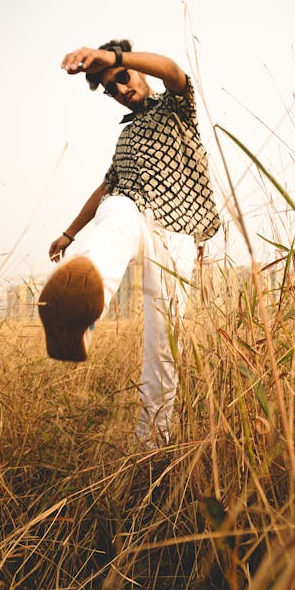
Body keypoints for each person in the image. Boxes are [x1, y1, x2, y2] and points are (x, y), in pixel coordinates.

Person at [39, 39, 220, 447]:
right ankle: (79, 315)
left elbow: (173, 70)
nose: (121, 88)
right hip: (134, 211)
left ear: (136, 70)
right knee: (116, 211)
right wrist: (69, 233)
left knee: (163, 345)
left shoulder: (175, 108)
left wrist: (113, 58)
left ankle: (151, 447)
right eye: (111, 87)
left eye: (122, 77)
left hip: (177, 230)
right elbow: (107, 186)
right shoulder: (126, 136)